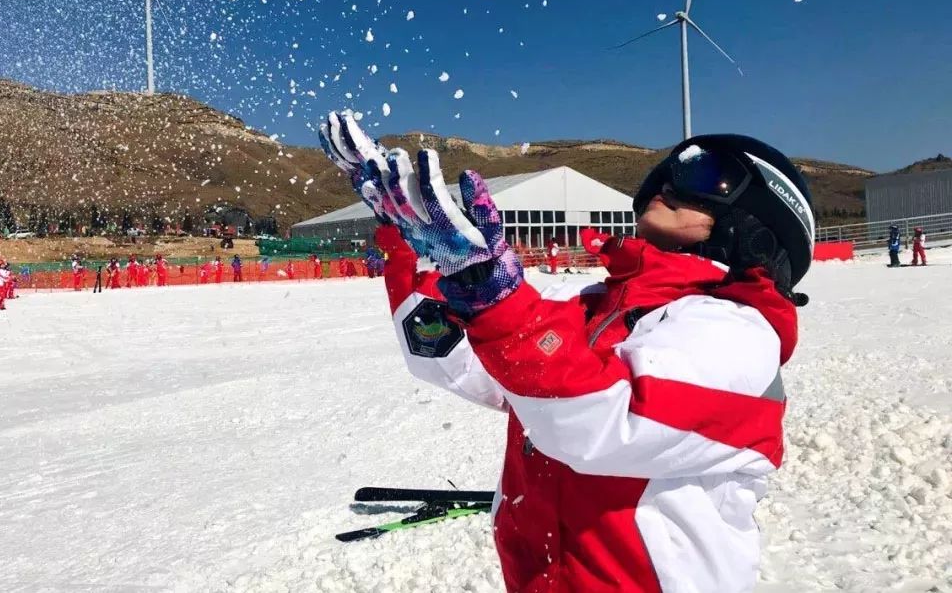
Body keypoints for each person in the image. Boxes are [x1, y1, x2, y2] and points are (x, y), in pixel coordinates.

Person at [321, 111, 815, 593]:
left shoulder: (742, 332)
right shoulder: (599, 307)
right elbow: (465, 362)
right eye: (664, 174)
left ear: (762, 223)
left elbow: (607, 418)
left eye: (705, 174)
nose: (667, 184)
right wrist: (416, 251)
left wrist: (496, 300)